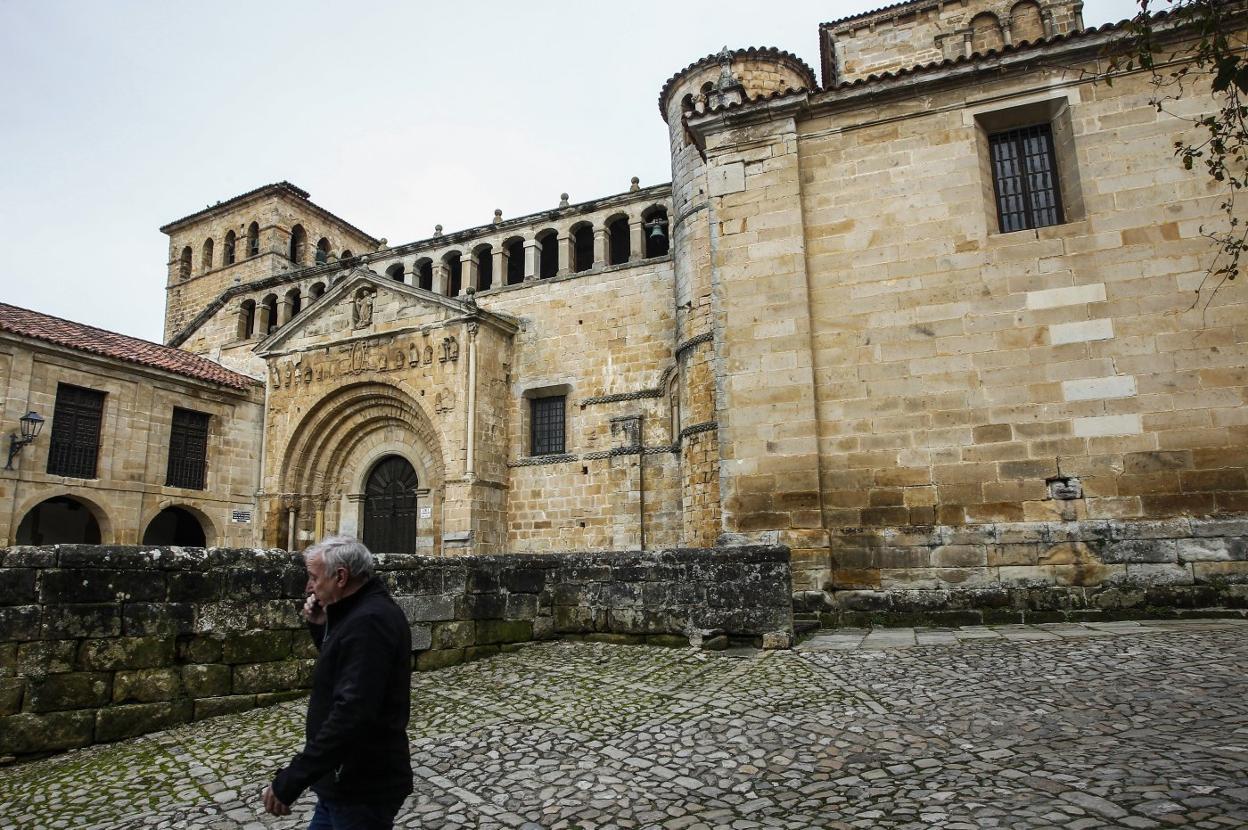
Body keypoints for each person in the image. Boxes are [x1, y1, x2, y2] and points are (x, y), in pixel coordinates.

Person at [261, 535, 413, 829]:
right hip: (345, 782)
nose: (308, 587)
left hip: (362, 786)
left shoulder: (369, 621)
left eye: (314, 577)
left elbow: (352, 713)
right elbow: (347, 671)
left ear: (341, 577)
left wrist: (291, 780)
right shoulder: (358, 614)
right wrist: (322, 628)